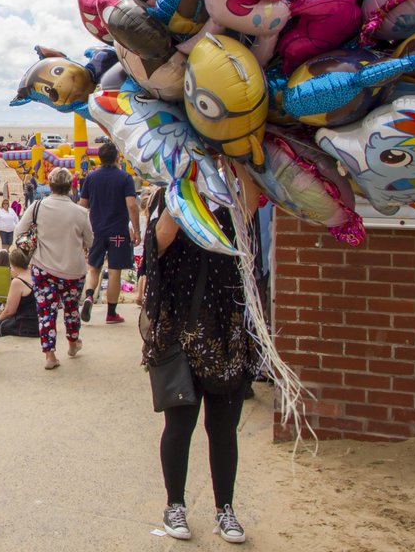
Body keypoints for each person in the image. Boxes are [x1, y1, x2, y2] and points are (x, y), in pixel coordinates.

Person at [144, 166, 261, 545]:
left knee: (223, 429)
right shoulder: (169, 196)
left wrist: (240, 154)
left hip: (227, 333)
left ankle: (225, 509)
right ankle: (174, 505)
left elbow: (251, 205)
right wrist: (186, 182)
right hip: (181, 333)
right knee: (180, 426)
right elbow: (159, 242)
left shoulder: (232, 197)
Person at [14, 168, 92, 370]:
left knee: (46, 311)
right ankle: (73, 343)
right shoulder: (80, 212)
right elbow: (90, 240)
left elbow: (19, 231)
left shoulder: (38, 207)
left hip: (44, 267)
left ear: (50, 185)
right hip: (73, 269)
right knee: (71, 308)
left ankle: (50, 355)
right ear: (70, 186)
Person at [78, 142, 140, 325]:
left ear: (99, 158)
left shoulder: (91, 177)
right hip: (118, 231)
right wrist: (136, 230)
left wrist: (82, 231)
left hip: (97, 230)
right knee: (114, 271)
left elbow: (82, 205)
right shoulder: (125, 178)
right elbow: (132, 205)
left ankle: (89, 296)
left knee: (93, 267)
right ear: (116, 157)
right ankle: (111, 313)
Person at [0, 247, 39, 337]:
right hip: (40, 322)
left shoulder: (18, 281)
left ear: (13, 265)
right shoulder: (35, 273)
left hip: (27, 325)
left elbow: (9, 311)